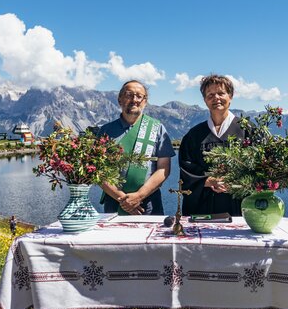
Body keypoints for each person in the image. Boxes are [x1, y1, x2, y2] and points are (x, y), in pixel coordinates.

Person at [98, 80, 175, 215]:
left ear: (145, 101)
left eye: (139, 96)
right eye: (129, 95)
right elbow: (98, 171)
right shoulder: (105, 131)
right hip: (114, 202)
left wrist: (138, 196)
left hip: (149, 203)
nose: (134, 100)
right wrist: (123, 199)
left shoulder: (157, 128)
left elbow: (163, 168)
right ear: (120, 99)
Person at [179, 74, 246, 216]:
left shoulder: (247, 131)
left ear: (231, 96)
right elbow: (186, 168)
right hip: (202, 206)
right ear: (205, 100)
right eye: (210, 94)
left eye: (221, 93)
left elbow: (260, 168)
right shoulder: (194, 135)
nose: (216, 98)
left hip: (240, 205)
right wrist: (209, 180)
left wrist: (234, 182)